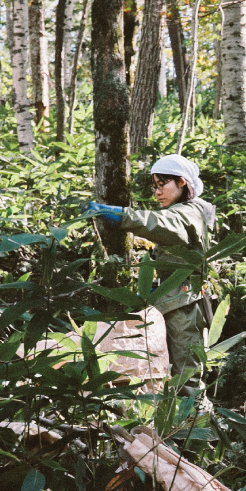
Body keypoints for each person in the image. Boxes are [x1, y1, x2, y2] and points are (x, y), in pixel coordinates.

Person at [85, 154, 216, 386]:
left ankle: (195, 420)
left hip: (185, 306)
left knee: (186, 377)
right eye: (154, 186)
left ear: (182, 182)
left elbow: (158, 224)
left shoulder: (188, 212)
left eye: (163, 184)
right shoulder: (180, 211)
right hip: (170, 301)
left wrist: (120, 215)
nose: (157, 192)